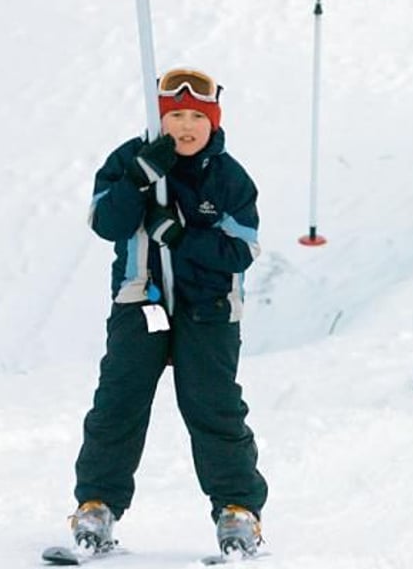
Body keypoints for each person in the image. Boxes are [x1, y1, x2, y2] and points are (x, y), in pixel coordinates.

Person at [70, 68, 267, 556]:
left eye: (196, 116)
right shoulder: (129, 160)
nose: (184, 126)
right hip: (141, 303)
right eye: (174, 115)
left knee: (213, 407)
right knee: (118, 403)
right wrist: (139, 178)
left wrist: (180, 238)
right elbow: (106, 222)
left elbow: (240, 251)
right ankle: (97, 503)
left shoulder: (229, 178)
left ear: (212, 121)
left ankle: (237, 510)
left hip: (209, 311)